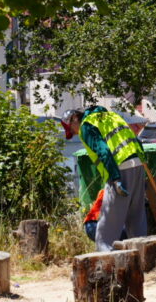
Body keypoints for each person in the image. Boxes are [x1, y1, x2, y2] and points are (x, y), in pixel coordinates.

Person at [61, 106, 147, 252]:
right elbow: (135, 140)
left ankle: (104, 257)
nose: (75, 133)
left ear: (75, 119)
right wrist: (144, 165)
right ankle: (143, 253)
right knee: (136, 216)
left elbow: (103, 150)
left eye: (72, 129)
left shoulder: (87, 126)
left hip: (119, 169)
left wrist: (115, 178)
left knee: (108, 223)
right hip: (138, 165)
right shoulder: (111, 117)